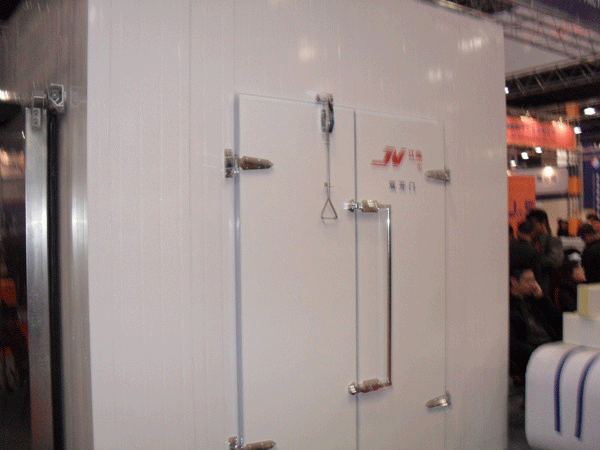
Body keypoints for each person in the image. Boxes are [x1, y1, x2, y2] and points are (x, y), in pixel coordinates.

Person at [509, 265, 562, 381]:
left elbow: (558, 322)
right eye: (528, 281)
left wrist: (542, 299)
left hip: (550, 346)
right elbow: (515, 344)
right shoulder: (510, 307)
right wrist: (538, 354)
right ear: (514, 281)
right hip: (534, 353)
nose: (533, 285)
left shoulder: (535, 300)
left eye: (534, 280)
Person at [526, 209, 563, 297]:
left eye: (533, 224)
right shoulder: (531, 240)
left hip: (549, 286)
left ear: (543, 223)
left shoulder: (553, 240)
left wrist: (535, 260)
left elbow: (555, 261)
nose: (531, 227)